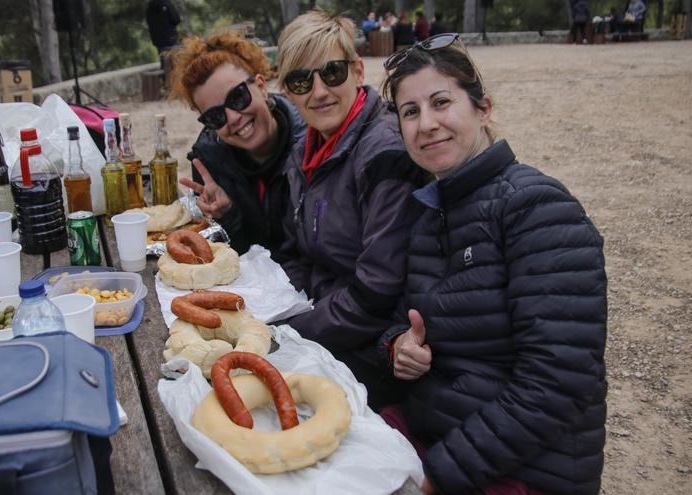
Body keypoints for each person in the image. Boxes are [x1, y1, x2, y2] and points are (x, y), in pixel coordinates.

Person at [379, 33, 607, 494]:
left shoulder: (537, 207)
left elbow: (558, 382)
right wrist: (398, 346)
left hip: (527, 467)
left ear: (483, 109)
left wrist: (440, 474)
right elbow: (401, 320)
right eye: (411, 112)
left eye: (441, 102)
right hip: (436, 425)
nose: (426, 124)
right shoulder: (430, 212)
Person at [276, 11, 425, 406]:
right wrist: (282, 308)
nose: (319, 91)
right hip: (328, 320)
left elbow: (377, 291)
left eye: (333, 72)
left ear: (358, 71)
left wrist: (289, 331)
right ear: (287, 93)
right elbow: (295, 251)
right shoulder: (303, 150)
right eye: (301, 81)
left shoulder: (385, 152)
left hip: (378, 344)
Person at [169, 32, 306, 258]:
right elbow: (235, 258)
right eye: (215, 116)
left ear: (261, 87)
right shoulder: (210, 162)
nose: (233, 118)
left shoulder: (314, 142)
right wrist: (226, 216)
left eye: (238, 97)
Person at [145, 0, 181, 69]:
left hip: (159, 42)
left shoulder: (149, 8)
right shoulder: (166, 3)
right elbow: (176, 19)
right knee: (177, 64)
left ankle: (164, 78)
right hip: (171, 39)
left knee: (164, 64)